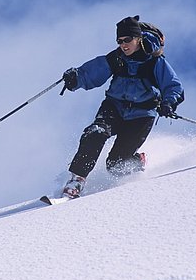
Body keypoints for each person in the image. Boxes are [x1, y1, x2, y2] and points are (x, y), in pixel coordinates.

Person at [60, 15, 184, 198]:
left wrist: (168, 102)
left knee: (116, 165)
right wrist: (75, 78)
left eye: (128, 40)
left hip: (141, 115)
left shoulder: (155, 61)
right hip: (114, 107)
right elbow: (91, 73)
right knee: (95, 132)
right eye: (119, 41)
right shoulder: (116, 59)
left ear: (138, 38)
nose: (123, 45)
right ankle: (76, 181)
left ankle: (137, 161)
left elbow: (174, 86)